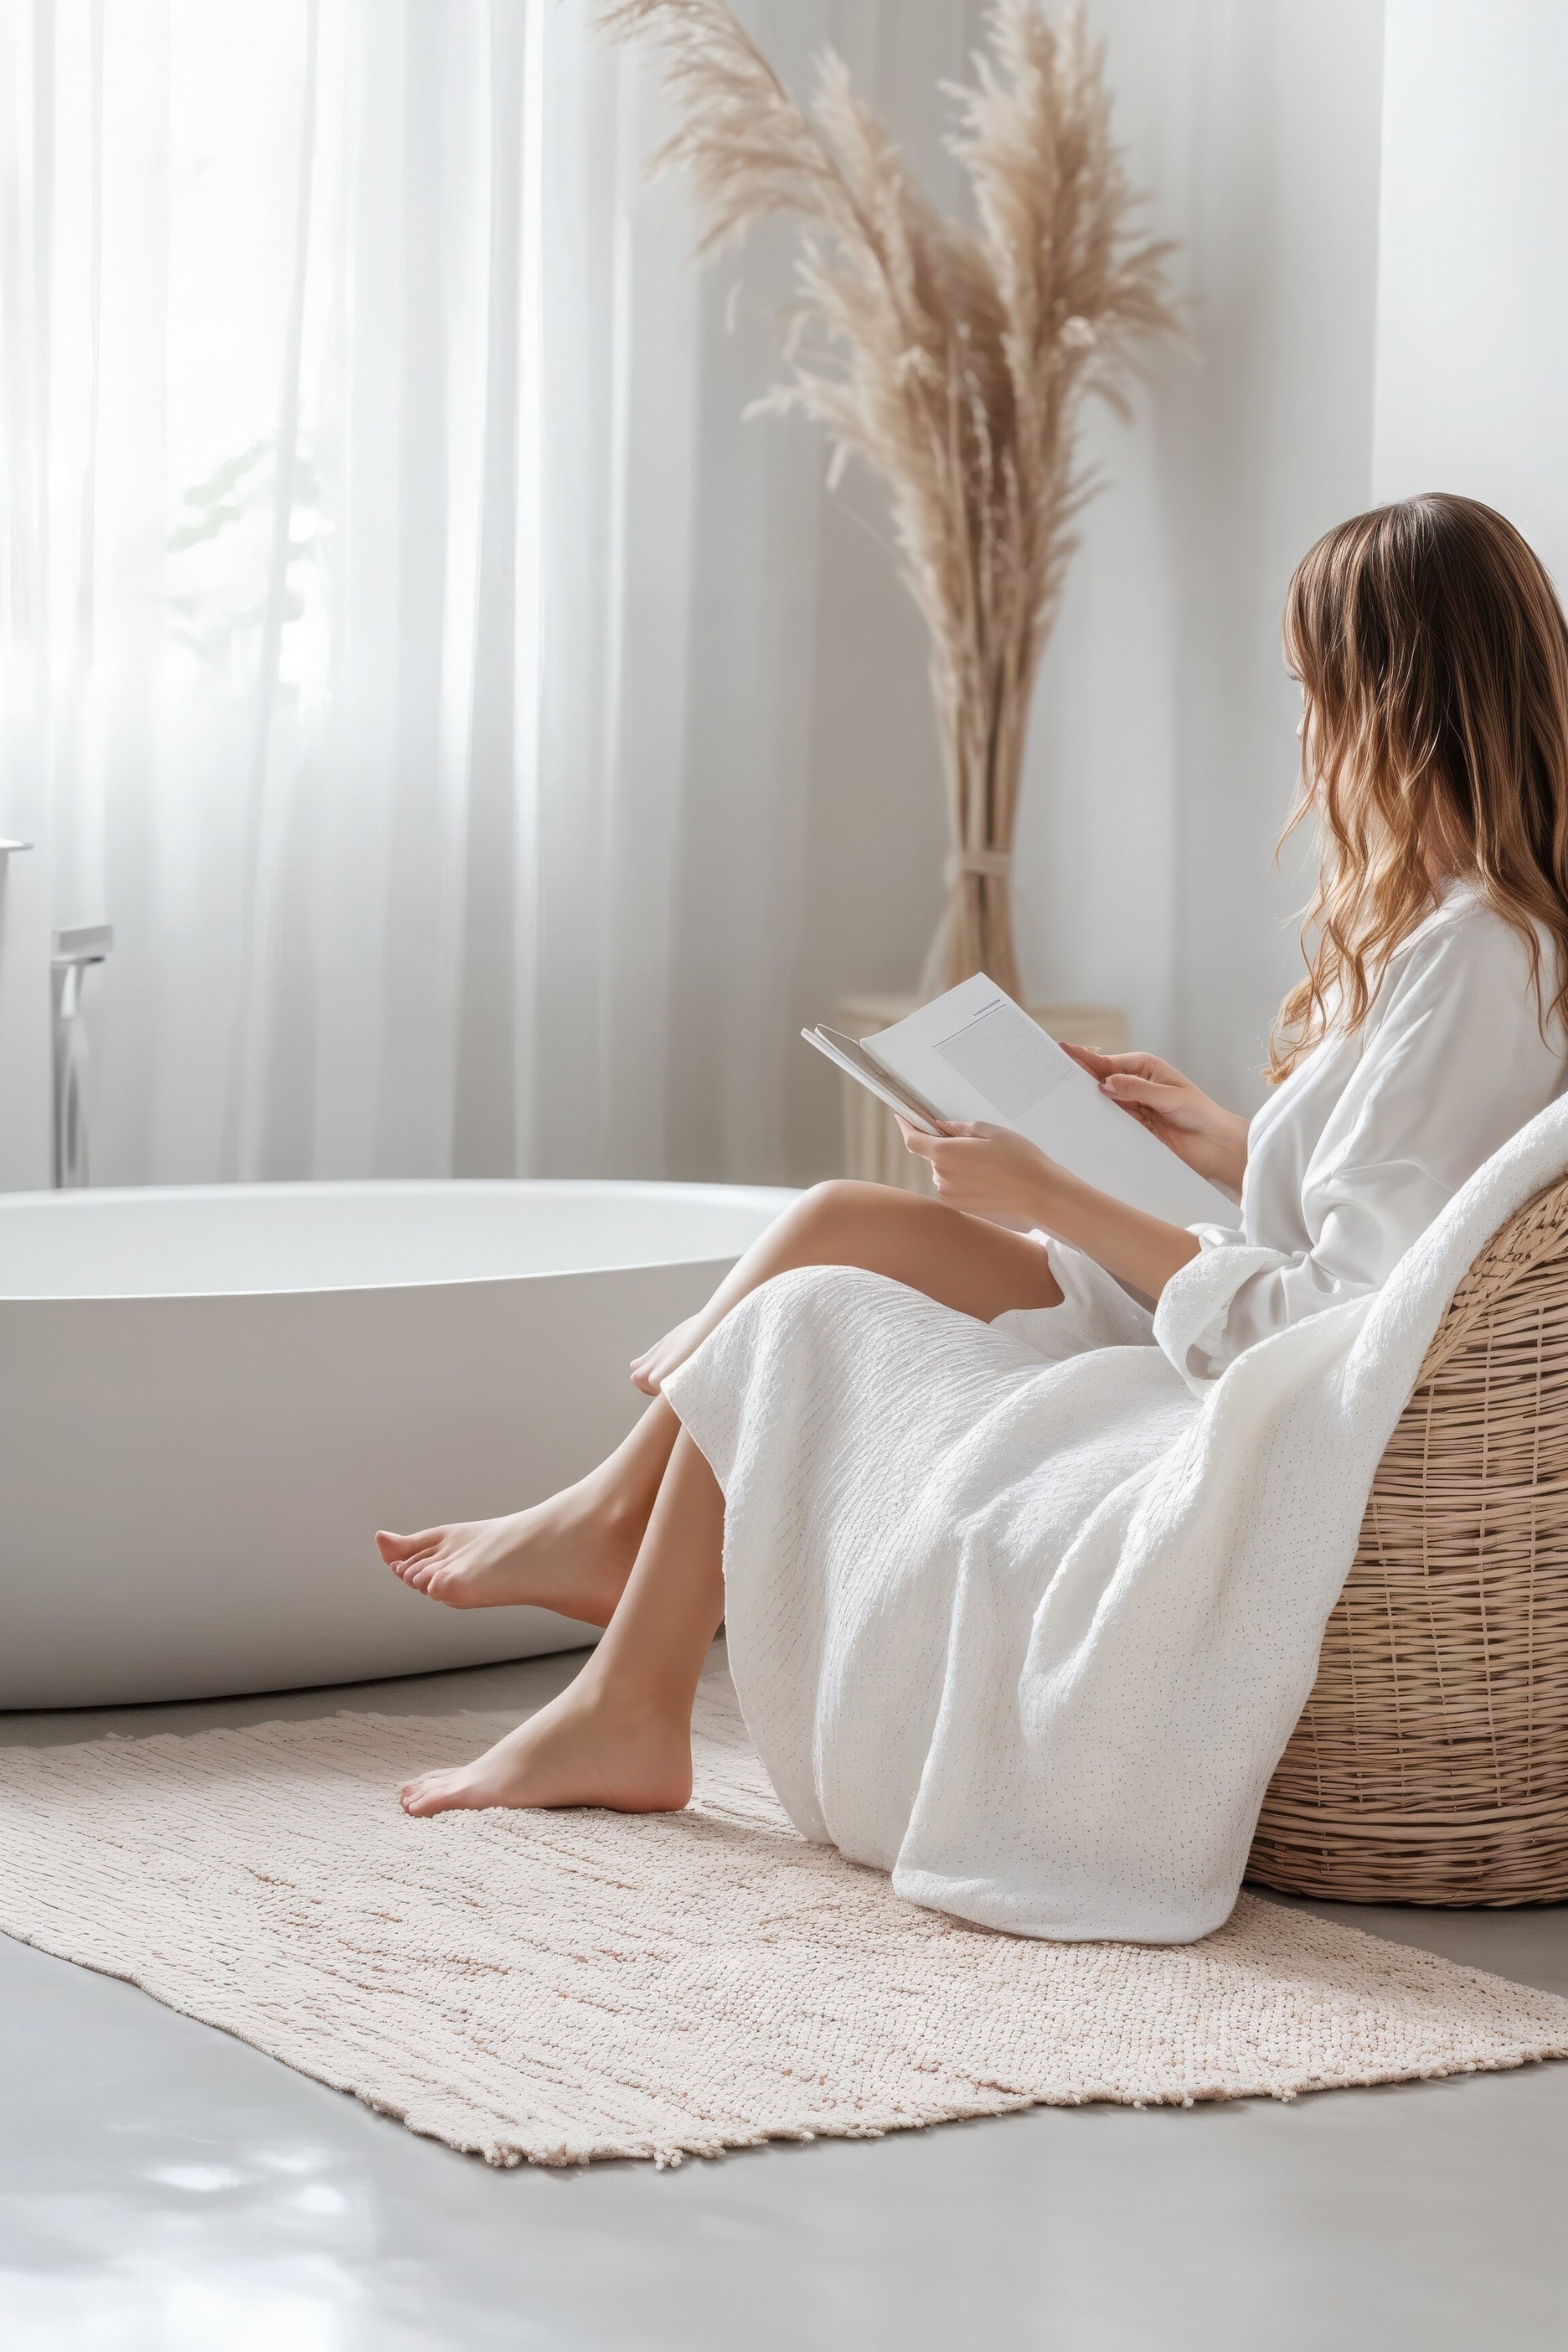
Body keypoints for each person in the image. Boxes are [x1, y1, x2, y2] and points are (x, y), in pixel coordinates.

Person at [380, 492, 1568, 1844]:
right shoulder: (1465, 935)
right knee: (833, 1216)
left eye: (1315, 692)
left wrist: (1057, 1197)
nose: (1302, 733)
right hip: (1224, 1291)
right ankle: (610, 1564)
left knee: (798, 1302)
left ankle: (620, 1645)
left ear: (1393, 705)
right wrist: (1221, 1142)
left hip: (1259, 1369)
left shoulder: (1478, 959)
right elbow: (1397, 1211)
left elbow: (1345, 1319)